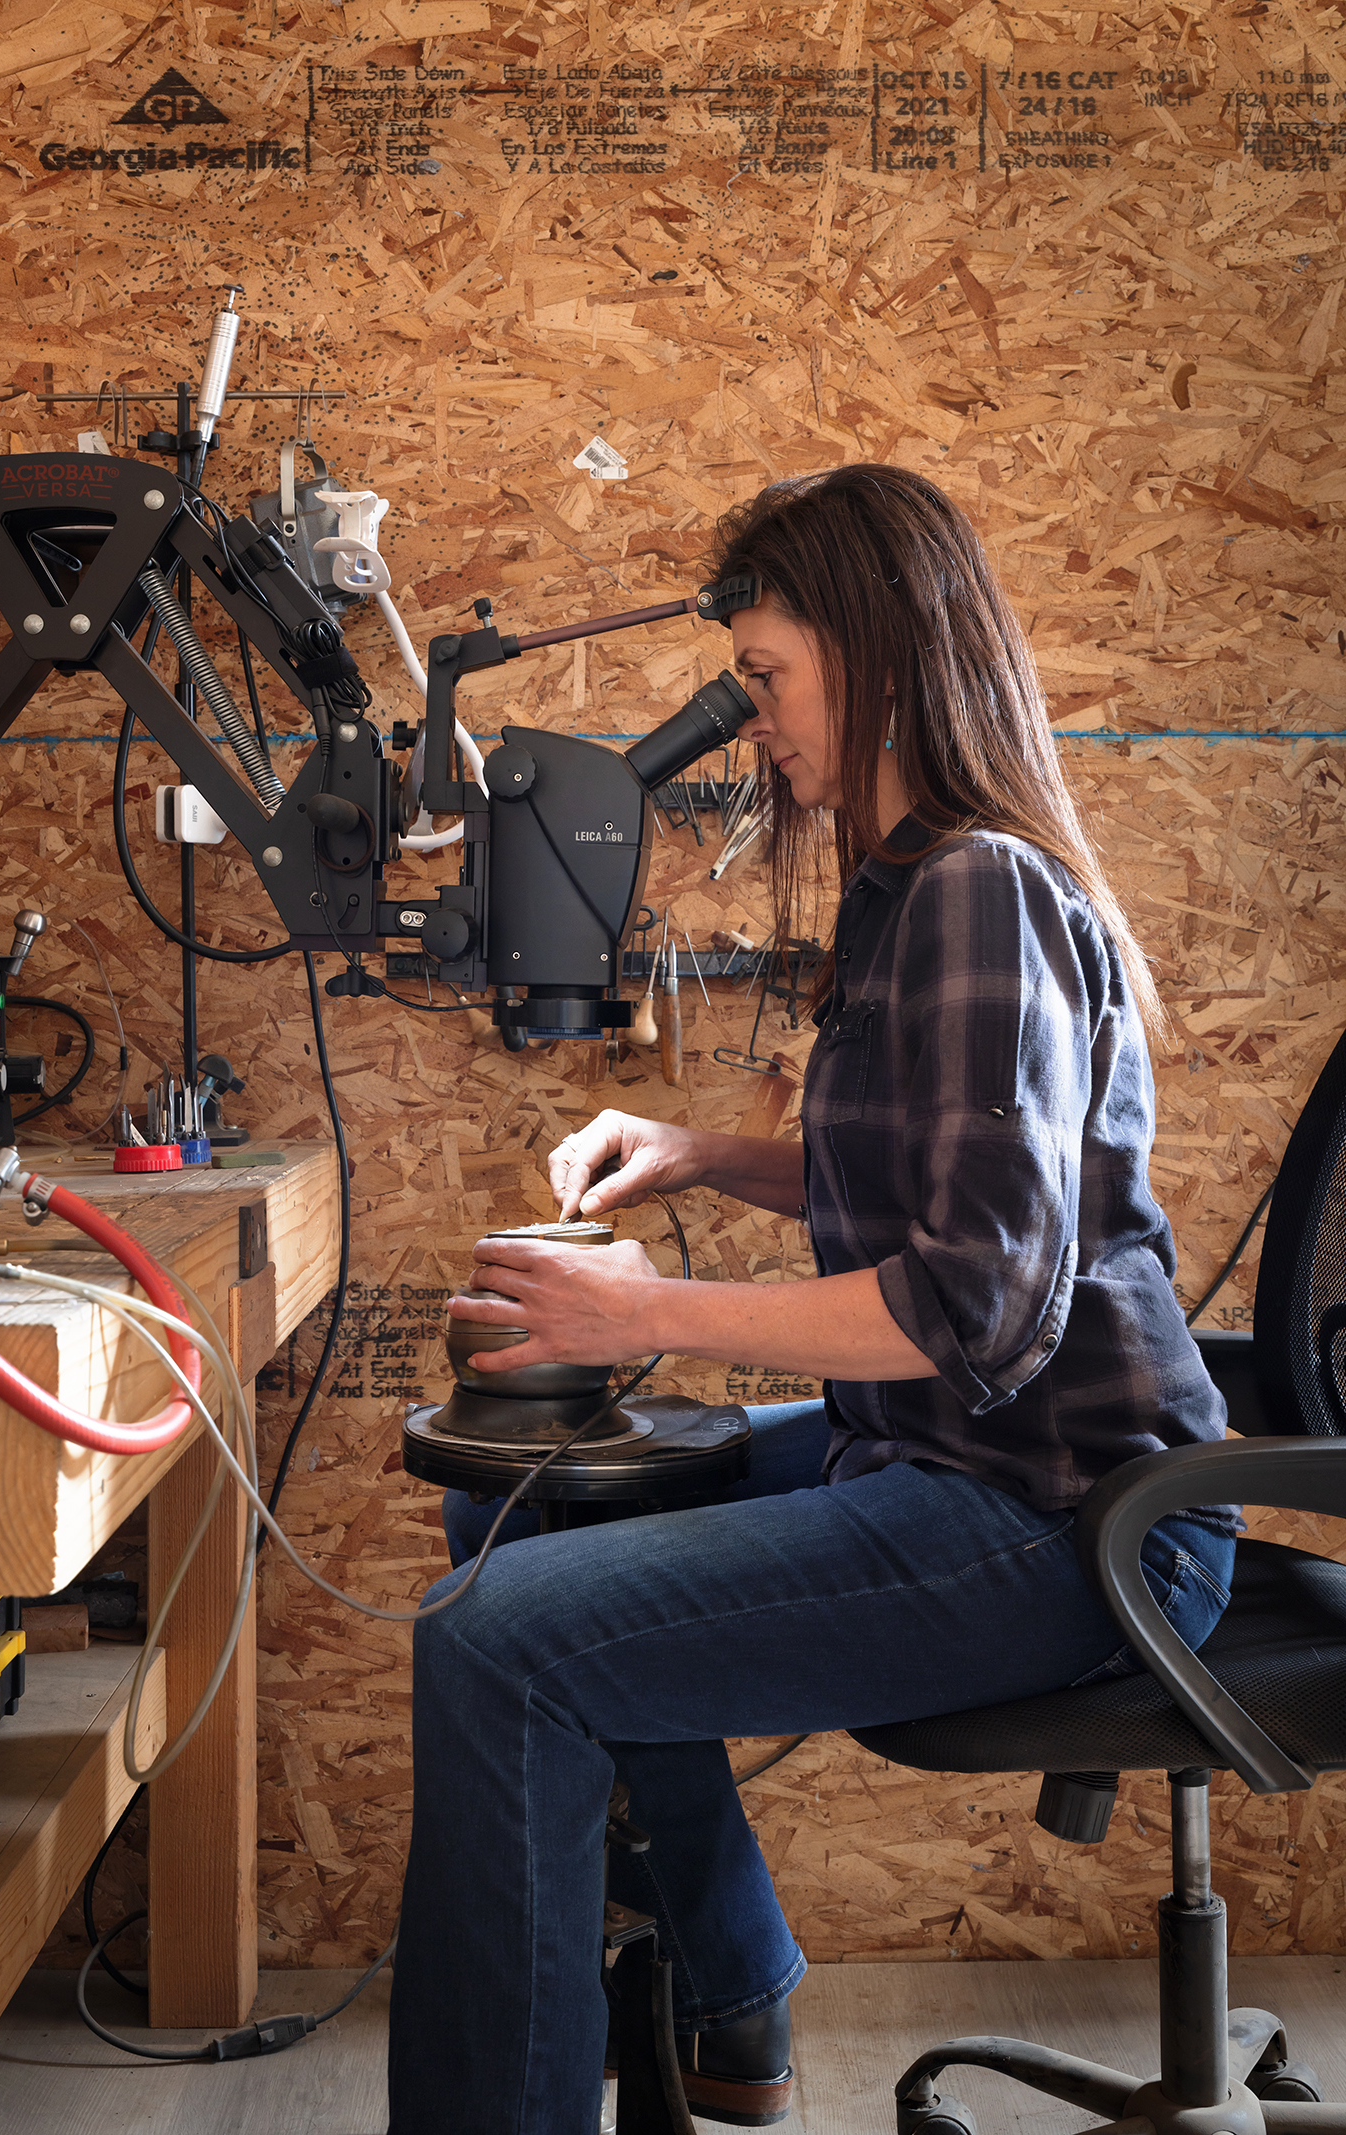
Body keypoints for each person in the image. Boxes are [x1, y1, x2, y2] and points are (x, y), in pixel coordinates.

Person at [387, 465, 1236, 2135]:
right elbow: (930, 1180)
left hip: (1067, 1519)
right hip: (944, 1460)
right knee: (526, 1528)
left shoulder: (981, 886)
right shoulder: (912, 885)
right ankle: (735, 2004)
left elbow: (972, 1309)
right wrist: (700, 1153)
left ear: (886, 656)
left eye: (770, 680)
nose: (755, 723)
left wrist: (644, 1319)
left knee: (499, 1655)